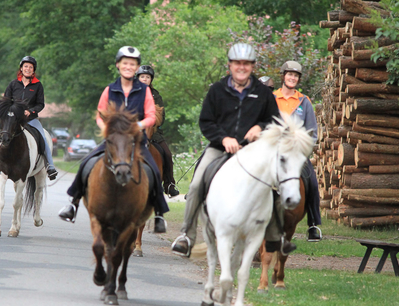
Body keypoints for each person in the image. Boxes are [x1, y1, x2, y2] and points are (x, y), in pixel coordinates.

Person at [171, 43, 281, 257]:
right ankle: (186, 236)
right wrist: (223, 139)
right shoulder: (217, 90)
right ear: (230, 65)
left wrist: (260, 127)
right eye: (237, 63)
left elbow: (273, 119)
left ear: (252, 66)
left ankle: (274, 236)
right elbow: (206, 122)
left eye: (246, 64)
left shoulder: (262, 93)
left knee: (276, 183)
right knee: (195, 186)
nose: (242, 67)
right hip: (219, 149)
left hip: (252, 151)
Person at [58, 46, 169, 233]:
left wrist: (138, 126)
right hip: (114, 140)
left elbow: (151, 116)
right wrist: (106, 129)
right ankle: (73, 203)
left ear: (137, 67)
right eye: (125, 63)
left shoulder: (144, 91)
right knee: (87, 162)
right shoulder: (110, 89)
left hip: (136, 140)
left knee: (154, 170)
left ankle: (159, 214)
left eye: (132, 64)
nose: (128, 66)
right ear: (118, 65)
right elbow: (100, 116)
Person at [0, 56, 58, 181]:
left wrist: (30, 111)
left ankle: (50, 166)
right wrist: (10, 111)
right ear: (21, 68)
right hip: (13, 119)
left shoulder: (38, 85)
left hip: (30, 119)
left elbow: (40, 104)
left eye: (30, 67)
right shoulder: (13, 84)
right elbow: (6, 101)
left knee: (43, 137)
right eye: (25, 66)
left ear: (33, 70)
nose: (28, 69)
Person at [273, 60, 322, 241]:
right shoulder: (272, 98)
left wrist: (303, 151)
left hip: (296, 154)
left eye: (296, 76)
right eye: (289, 74)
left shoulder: (304, 102)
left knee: (312, 181)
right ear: (283, 76)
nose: (292, 78)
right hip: (274, 152)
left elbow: (312, 132)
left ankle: (313, 224)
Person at [135, 65, 179, 198]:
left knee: (167, 154)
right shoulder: (132, 93)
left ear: (151, 80)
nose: (144, 79)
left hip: (154, 132)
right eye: (142, 77)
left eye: (147, 77)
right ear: (138, 78)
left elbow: (161, 115)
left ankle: (169, 184)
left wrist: (152, 122)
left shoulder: (156, 95)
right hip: (134, 130)